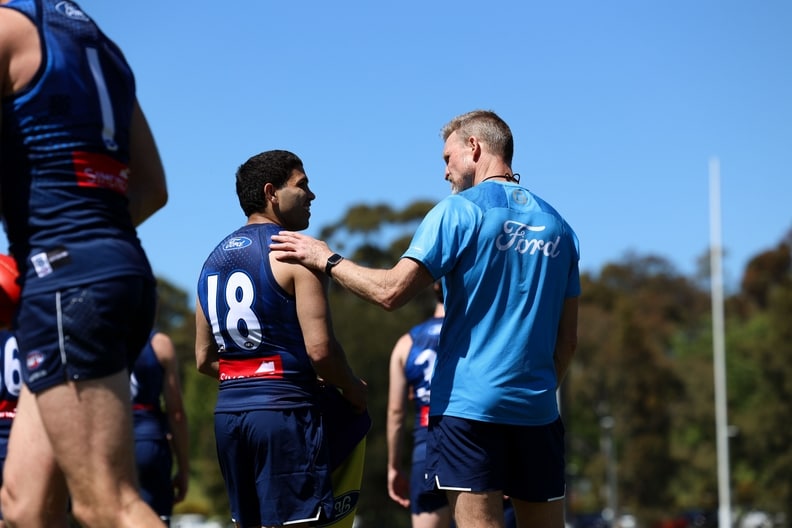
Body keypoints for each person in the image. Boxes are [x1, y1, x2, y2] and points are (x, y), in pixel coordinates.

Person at [271, 110, 580, 528]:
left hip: (469, 411)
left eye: (447, 158)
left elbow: (390, 291)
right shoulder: (560, 227)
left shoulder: (459, 211)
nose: (445, 172)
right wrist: (531, 395)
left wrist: (326, 258)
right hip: (538, 412)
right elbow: (567, 342)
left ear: (474, 148)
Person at [0, 0, 169, 526]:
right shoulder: (99, 43)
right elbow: (152, 188)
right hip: (115, 270)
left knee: (108, 504)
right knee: (26, 506)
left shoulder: (6, 30)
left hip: (66, 284)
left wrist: (56, 252)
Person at [195, 150, 368, 528]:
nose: (311, 195)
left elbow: (203, 359)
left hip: (229, 420)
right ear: (271, 192)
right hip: (284, 414)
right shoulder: (296, 253)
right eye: (302, 185)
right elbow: (320, 351)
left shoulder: (211, 262)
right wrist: (352, 387)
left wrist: (252, 372)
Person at [387, 283, 452, 528]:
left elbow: (396, 412)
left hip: (426, 451)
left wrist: (393, 466)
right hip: (472, 444)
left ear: (435, 287)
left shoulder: (406, 343)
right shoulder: (475, 333)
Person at [131, 331, 190, 527]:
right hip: (149, 440)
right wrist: (183, 469)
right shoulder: (159, 343)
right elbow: (176, 413)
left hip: (110, 438)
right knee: (155, 518)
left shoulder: (100, 336)